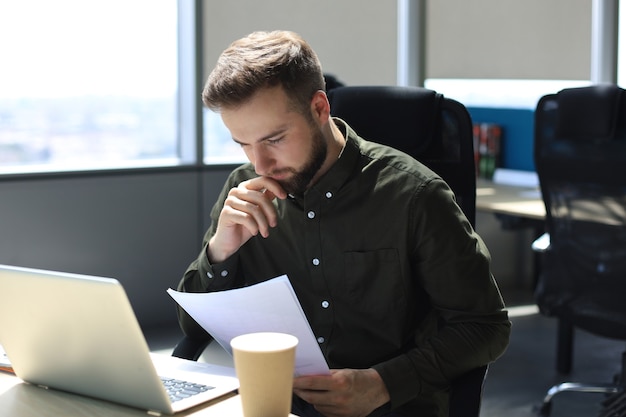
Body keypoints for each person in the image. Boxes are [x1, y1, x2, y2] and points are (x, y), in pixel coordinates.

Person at [177, 30, 511, 417]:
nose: (260, 164)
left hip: (390, 407)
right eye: (243, 145)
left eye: (275, 139)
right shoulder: (243, 191)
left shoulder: (416, 196)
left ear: (319, 108)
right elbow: (193, 330)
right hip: (272, 403)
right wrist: (221, 250)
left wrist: (383, 383)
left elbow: (485, 326)